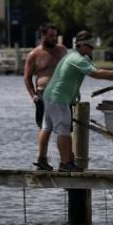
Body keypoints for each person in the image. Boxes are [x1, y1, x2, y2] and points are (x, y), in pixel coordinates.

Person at [42, 30, 113, 172]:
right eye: (90, 46)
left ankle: (44, 160)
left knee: (47, 127)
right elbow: (95, 73)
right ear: (82, 45)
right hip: (59, 98)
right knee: (63, 130)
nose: (93, 49)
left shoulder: (75, 55)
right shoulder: (77, 59)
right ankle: (65, 164)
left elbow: (97, 70)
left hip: (51, 96)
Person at [24, 23, 67, 171]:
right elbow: (27, 78)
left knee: (63, 127)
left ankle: (66, 160)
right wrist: (33, 95)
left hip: (62, 94)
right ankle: (44, 159)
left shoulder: (62, 50)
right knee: (45, 127)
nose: (54, 39)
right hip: (43, 94)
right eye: (51, 36)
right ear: (42, 36)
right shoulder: (34, 55)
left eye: (55, 36)